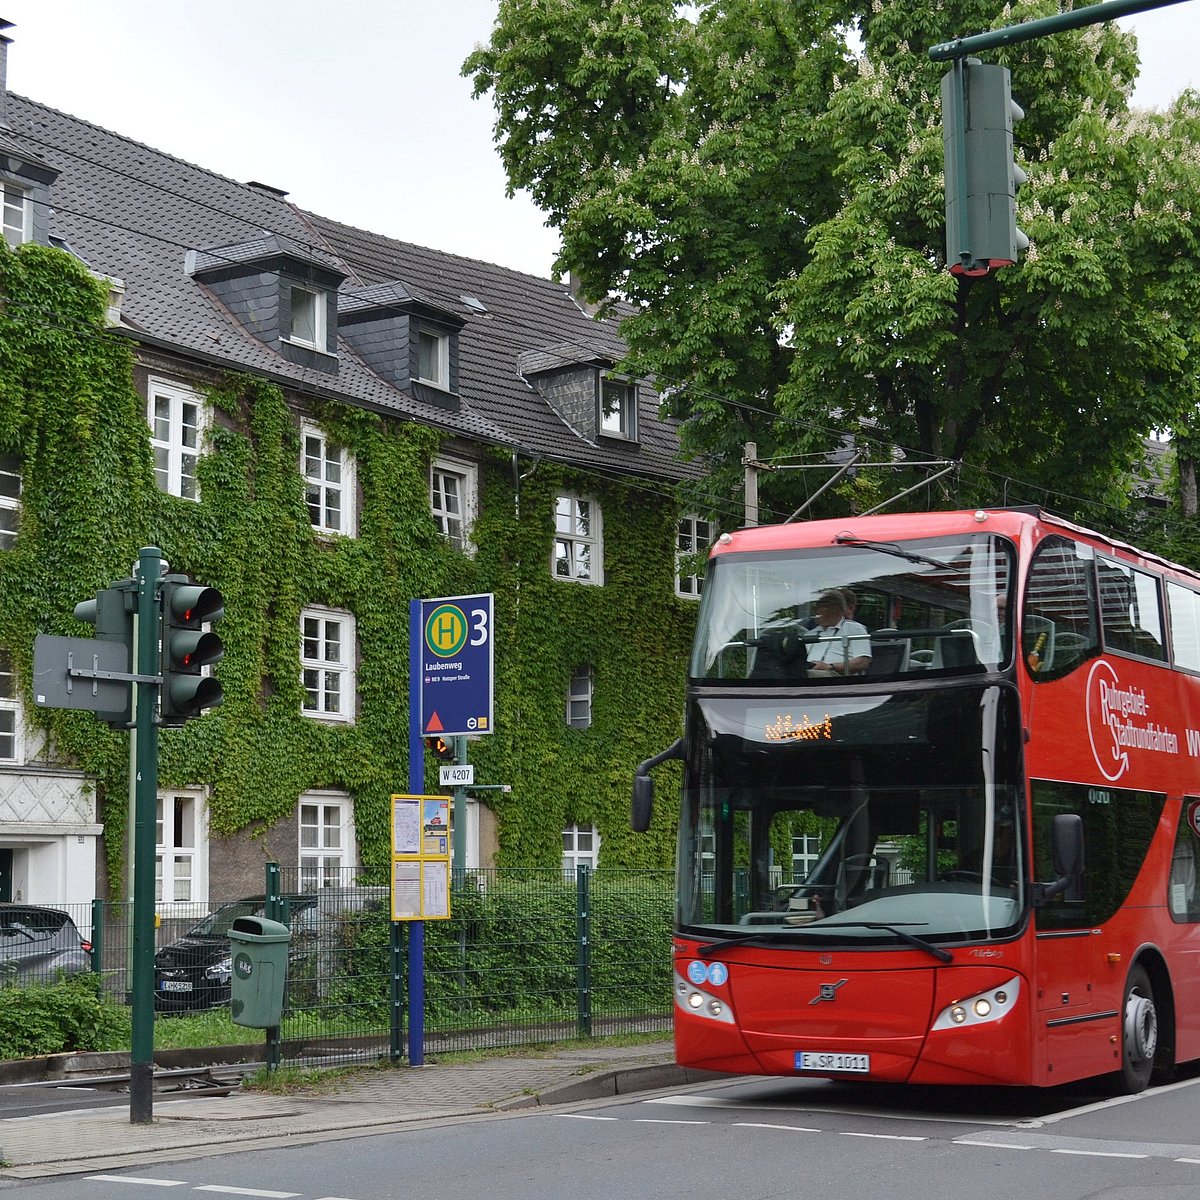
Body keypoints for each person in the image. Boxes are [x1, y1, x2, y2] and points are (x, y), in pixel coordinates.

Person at [807, 591, 871, 676]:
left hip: (838, 676)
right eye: (815, 606)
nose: (816, 610)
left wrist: (830, 667)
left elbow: (862, 662)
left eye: (822, 606)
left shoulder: (855, 629)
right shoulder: (809, 634)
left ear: (836, 609)